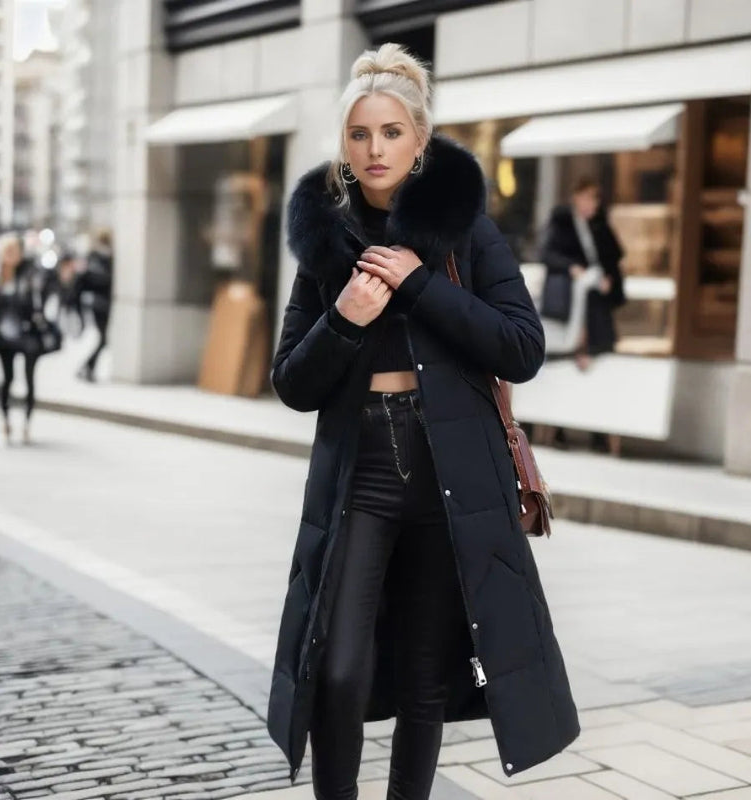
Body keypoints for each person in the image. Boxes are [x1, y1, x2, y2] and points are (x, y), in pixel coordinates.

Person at [266, 43, 579, 799]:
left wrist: (417, 286)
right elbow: (292, 384)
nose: (375, 149)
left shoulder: (466, 233)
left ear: (420, 142)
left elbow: (522, 346)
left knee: (425, 680)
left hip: (452, 472)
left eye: (391, 133)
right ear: (344, 145)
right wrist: (342, 318)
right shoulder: (325, 242)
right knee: (337, 671)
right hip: (362, 471)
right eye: (360, 135)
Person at [539, 177, 626, 452]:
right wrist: (572, 268)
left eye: (595, 199)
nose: (591, 204)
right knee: (565, 365)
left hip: (595, 310)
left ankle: (597, 433)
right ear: (576, 197)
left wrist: (608, 280)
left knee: (597, 366)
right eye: (587, 198)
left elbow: (612, 261)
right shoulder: (563, 221)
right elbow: (548, 254)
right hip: (569, 310)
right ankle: (559, 429)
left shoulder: (599, 226)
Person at [0, 234, 56, 444]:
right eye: (8, 251)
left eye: (15, 251)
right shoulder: (0, 278)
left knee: (30, 379)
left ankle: (27, 424)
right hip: (3, 338)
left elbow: (42, 297)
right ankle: (5, 420)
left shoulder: (29, 275)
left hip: (27, 334)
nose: (12, 255)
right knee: (8, 378)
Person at [76, 228, 113, 382]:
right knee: (103, 339)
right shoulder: (98, 258)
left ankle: (87, 367)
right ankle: (87, 367)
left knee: (103, 339)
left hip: (101, 303)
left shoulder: (103, 258)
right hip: (99, 304)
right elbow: (87, 280)